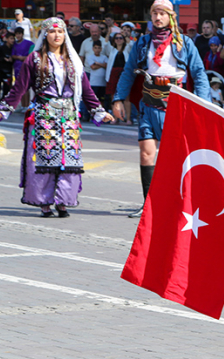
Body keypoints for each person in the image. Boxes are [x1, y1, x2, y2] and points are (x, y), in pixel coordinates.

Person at [0, 17, 115, 218]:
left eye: (61, 32)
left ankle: (63, 202)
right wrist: (3, 109)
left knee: (68, 160)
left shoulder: (73, 60)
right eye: (53, 32)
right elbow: (20, 88)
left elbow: (87, 90)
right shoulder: (35, 59)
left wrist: (99, 111)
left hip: (69, 117)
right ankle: (45, 202)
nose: (57, 35)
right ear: (45, 35)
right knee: (46, 159)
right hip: (44, 115)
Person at [111, 0, 209, 218]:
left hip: (176, 107)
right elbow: (128, 71)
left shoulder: (184, 43)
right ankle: (149, 205)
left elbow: (199, 74)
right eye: (154, 13)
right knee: (147, 154)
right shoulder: (143, 43)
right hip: (148, 105)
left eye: (162, 13)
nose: (157, 17)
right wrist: (118, 98)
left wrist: (203, 103)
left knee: (174, 157)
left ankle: (177, 203)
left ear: (171, 17)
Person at [103, 31, 132, 119]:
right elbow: (105, 44)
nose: (118, 40)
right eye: (116, 38)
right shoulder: (112, 50)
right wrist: (108, 33)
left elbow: (131, 44)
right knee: (113, 96)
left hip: (124, 74)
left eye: (120, 38)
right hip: (113, 73)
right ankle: (115, 118)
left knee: (126, 97)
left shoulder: (127, 48)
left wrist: (126, 35)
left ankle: (128, 118)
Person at [86, 40, 108, 105]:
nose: (97, 50)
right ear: (93, 49)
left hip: (103, 83)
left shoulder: (104, 57)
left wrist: (97, 63)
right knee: (94, 100)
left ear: (101, 49)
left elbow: (106, 66)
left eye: (98, 48)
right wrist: (102, 65)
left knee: (102, 100)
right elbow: (93, 67)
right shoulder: (90, 57)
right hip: (94, 83)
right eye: (95, 48)